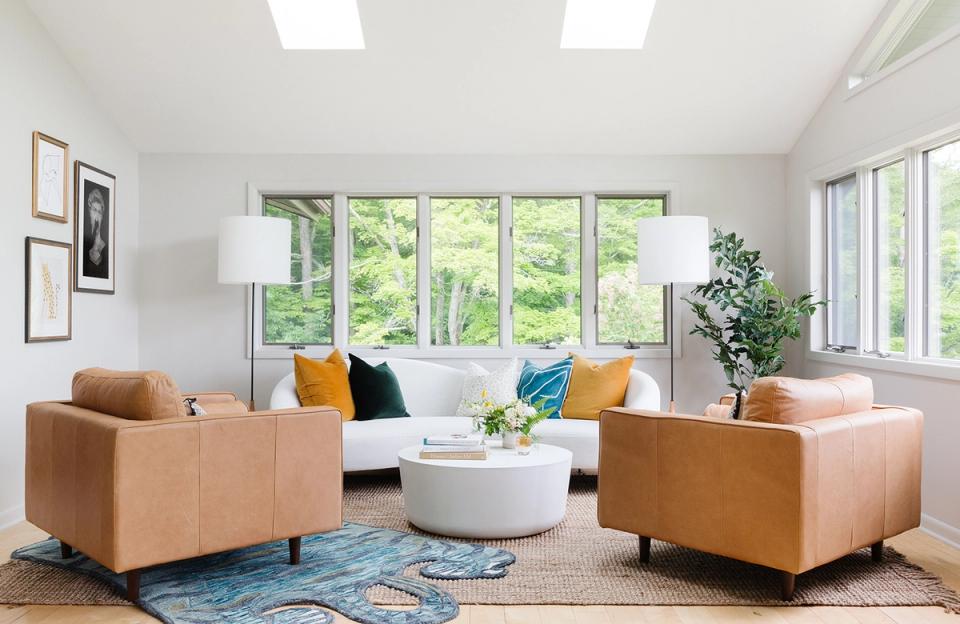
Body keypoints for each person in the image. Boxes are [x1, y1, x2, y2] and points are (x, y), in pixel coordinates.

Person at [83, 186, 108, 278]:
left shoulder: (104, 247)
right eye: (94, 210)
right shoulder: (84, 244)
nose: (97, 216)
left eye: (100, 212)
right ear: (89, 211)